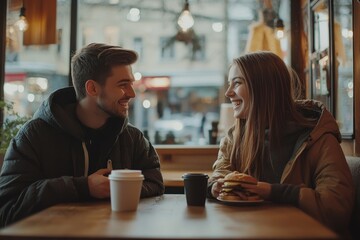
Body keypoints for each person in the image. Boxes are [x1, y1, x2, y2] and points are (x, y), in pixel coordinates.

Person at [0, 43, 164, 227]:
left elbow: (155, 183)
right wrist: (83, 187)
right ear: (92, 89)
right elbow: (7, 209)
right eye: (123, 85)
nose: (132, 93)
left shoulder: (131, 138)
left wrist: (117, 188)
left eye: (131, 84)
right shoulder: (34, 136)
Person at [208, 51, 354, 237]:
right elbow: (220, 174)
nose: (228, 93)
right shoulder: (234, 138)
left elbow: (335, 209)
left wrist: (271, 192)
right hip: (251, 231)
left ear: (264, 88)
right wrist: (213, 187)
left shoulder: (318, 137)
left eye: (236, 83)